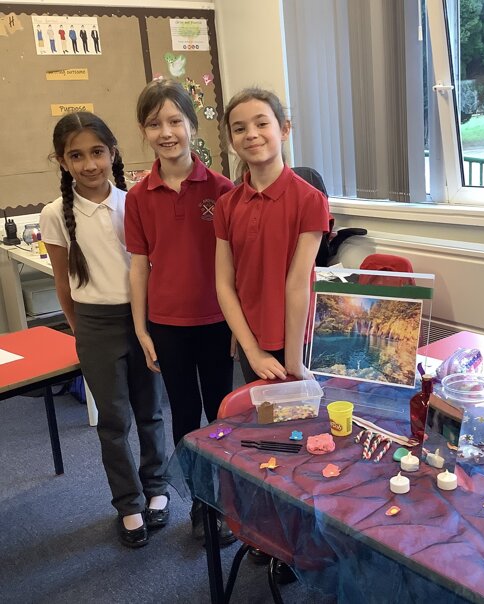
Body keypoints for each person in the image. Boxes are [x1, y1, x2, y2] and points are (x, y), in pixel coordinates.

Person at [40, 112, 168, 549]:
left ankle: (157, 489)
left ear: (113, 153)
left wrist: (149, 323)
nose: (89, 164)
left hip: (141, 319)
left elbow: (149, 268)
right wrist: (80, 330)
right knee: (113, 421)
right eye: (76, 156)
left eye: (97, 152)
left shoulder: (134, 203)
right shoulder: (55, 214)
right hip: (94, 323)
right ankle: (128, 503)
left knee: (151, 410)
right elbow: (62, 282)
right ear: (62, 161)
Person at [124, 79, 236, 545]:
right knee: (185, 418)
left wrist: (240, 326)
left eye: (175, 121)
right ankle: (200, 505)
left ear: (192, 125)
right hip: (167, 326)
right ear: (144, 131)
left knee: (222, 415)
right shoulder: (137, 197)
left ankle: (226, 502)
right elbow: (139, 268)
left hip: (216, 323)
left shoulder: (222, 189)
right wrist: (141, 330)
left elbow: (237, 266)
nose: (166, 132)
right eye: (155, 124)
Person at [215, 87, 330, 385]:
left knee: (300, 413)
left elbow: (298, 283)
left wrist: (293, 360)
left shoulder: (310, 199)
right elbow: (224, 283)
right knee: (261, 412)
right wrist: (252, 350)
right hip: (251, 340)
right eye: (239, 128)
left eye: (262, 123)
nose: (251, 134)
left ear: (284, 129)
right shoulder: (226, 205)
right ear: (232, 140)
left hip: (297, 340)